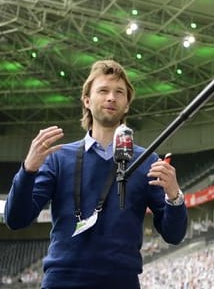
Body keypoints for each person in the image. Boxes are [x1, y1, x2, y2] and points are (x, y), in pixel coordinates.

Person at [4, 60, 188, 288]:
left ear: (127, 105)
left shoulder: (146, 161)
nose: (111, 97)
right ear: (87, 101)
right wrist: (28, 170)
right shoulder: (58, 158)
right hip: (62, 282)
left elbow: (174, 235)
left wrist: (174, 195)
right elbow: (15, 219)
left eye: (119, 92)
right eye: (103, 90)